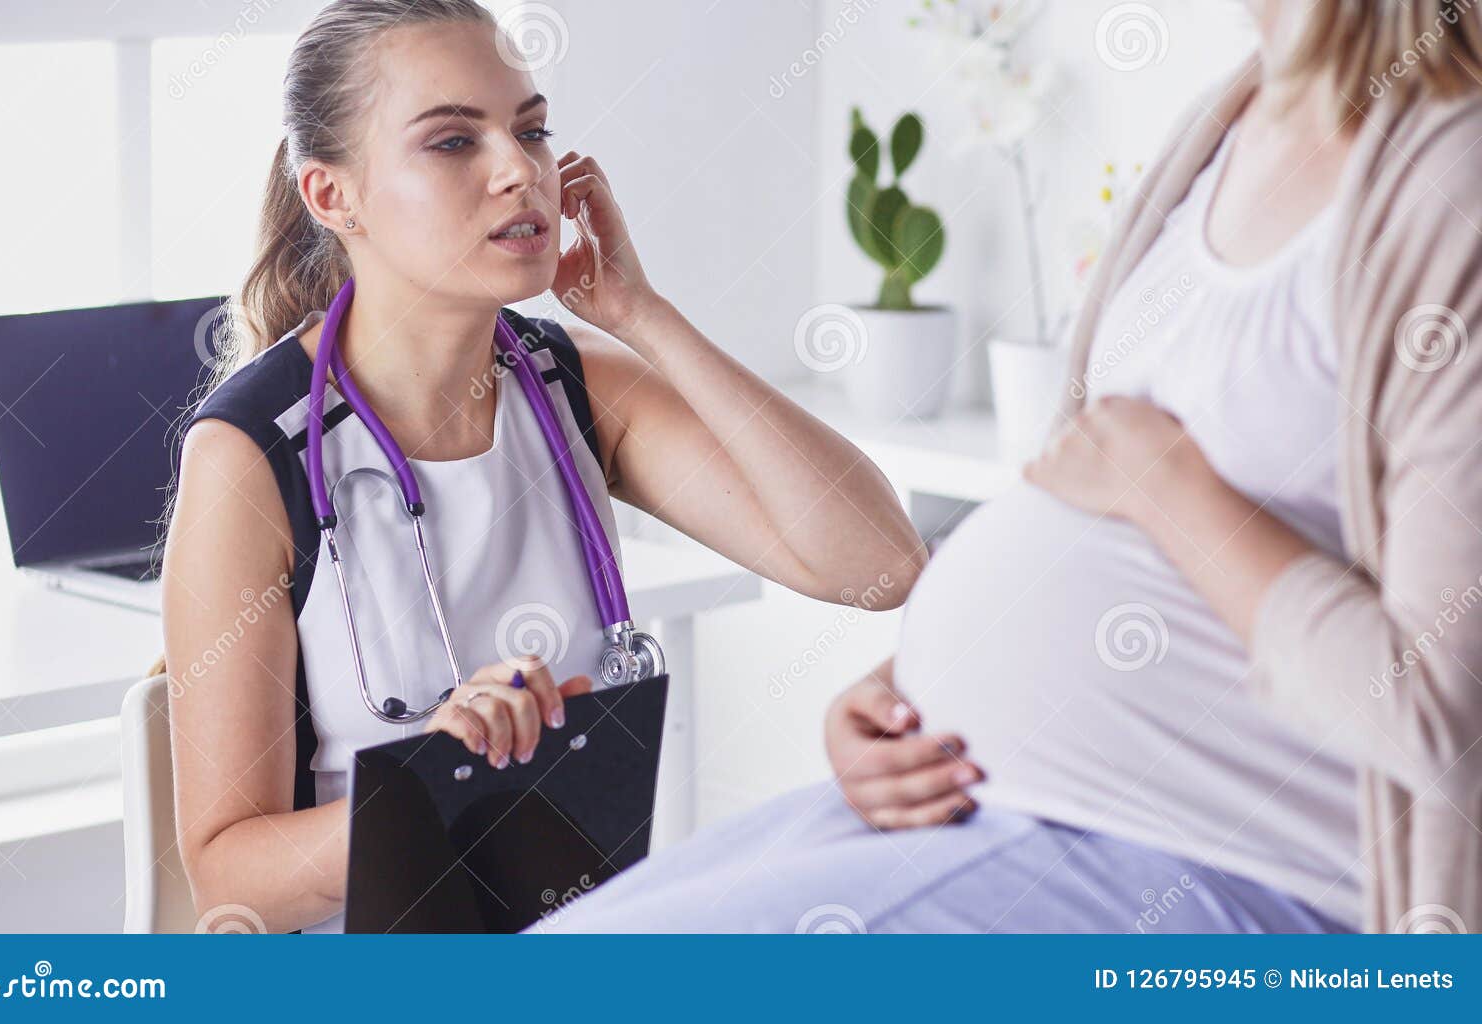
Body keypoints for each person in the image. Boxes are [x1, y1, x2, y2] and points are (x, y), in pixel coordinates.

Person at [537, 0, 1482, 934]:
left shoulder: (1452, 187)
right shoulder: (1233, 119)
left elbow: (1444, 714)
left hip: (1222, 869)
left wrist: (1172, 489)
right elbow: (1083, 493)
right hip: (989, 807)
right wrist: (904, 684)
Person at [157, 0, 925, 935]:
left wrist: (640, 313)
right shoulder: (251, 455)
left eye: (530, 128)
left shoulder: (570, 385)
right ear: (333, 197)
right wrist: (430, 780)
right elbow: (228, 877)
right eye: (451, 142)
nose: (520, 170)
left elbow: (879, 566)